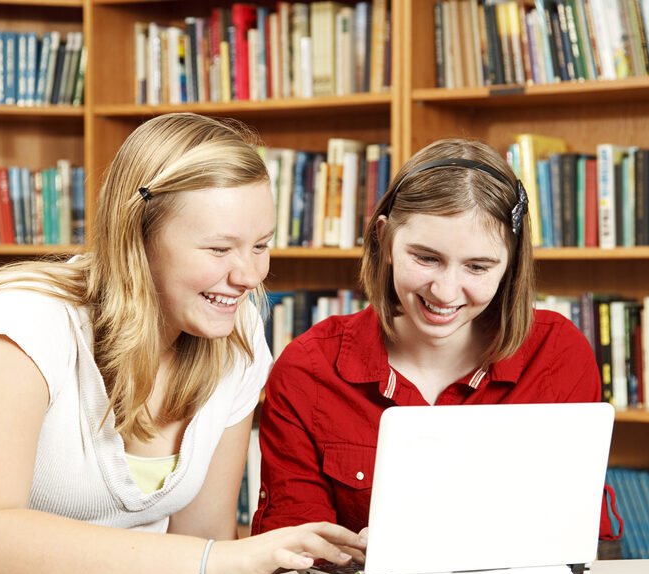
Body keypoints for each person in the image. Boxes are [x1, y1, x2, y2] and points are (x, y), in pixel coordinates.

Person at [0, 113, 364, 574]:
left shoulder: (236, 337)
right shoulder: (25, 322)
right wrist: (213, 562)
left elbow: (203, 542)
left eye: (261, 245)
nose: (249, 275)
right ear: (137, 238)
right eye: (219, 250)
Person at [252, 139, 620, 540]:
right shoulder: (308, 369)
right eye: (426, 258)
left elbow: (582, 531)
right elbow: (291, 552)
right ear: (384, 240)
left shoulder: (557, 354)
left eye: (477, 266)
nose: (445, 291)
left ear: (510, 264)